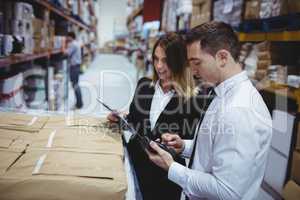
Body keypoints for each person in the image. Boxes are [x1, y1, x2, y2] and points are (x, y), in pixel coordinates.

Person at [147, 21, 272, 200]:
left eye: (197, 63)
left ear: (222, 57)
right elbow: (216, 148)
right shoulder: (221, 94)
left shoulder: (239, 111)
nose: (193, 71)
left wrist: (172, 168)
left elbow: (227, 191)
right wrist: (183, 146)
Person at [107, 32, 203, 200]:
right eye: (156, 59)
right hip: (133, 164)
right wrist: (121, 119)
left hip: (164, 179)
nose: (159, 66)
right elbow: (135, 120)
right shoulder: (144, 85)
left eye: (166, 60)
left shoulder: (193, 99)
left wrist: (174, 145)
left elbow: (189, 144)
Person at [66, 32, 83, 109]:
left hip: (74, 67)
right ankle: (79, 103)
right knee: (75, 84)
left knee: (75, 85)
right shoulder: (76, 43)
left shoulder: (73, 44)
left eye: (68, 37)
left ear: (71, 37)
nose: (67, 38)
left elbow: (67, 53)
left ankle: (79, 104)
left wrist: (63, 45)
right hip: (76, 66)